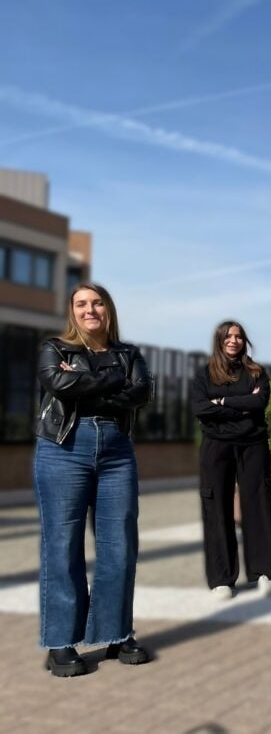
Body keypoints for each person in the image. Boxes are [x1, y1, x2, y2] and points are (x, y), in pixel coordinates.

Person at [33, 283, 153, 676]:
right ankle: (61, 643)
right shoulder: (56, 348)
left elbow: (141, 393)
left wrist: (87, 387)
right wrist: (115, 381)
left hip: (117, 452)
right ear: (72, 311)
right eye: (81, 303)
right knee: (63, 543)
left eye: (97, 302)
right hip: (64, 448)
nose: (90, 309)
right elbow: (57, 384)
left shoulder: (127, 353)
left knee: (120, 543)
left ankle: (117, 633)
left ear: (108, 309)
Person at [190, 321, 271, 600]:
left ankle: (263, 572)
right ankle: (222, 579)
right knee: (216, 507)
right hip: (216, 447)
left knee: (259, 505)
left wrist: (222, 403)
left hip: (253, 444)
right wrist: (240, 403)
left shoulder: (256, 372)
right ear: (219, 340)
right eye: (228, 336)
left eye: (239, 336)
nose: (234, 340)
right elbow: (200, 408)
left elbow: (259, 403)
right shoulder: (205, 375)